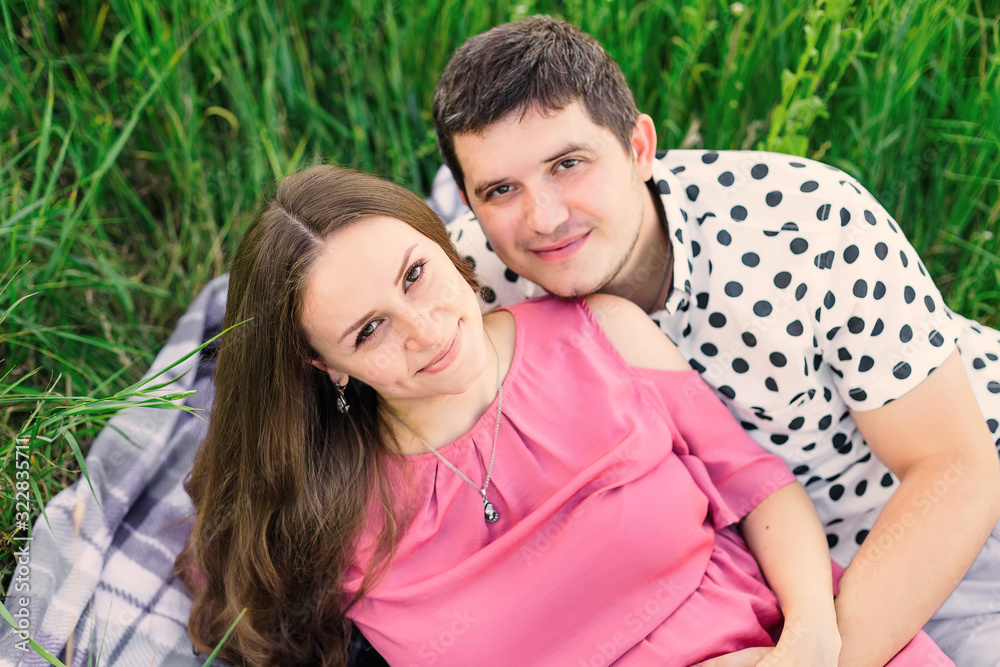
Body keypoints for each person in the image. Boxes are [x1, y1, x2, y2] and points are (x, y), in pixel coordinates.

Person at [176, 165, 949, 666]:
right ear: (326, 366)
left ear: (443, 245)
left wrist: (810, 637)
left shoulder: (599, 330)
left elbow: (756, 487)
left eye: (415, 275)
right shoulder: (329, 509)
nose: (425, 328)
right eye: (369, 329)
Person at [431, 17, 1000, 666]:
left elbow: (955, 468)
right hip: (762, 589)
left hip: (946, 530)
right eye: (500, 190)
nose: (544, 217)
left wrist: (822, 653)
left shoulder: (807, 222)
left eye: (568, 164)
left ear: (639, 147)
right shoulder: (471, 289)